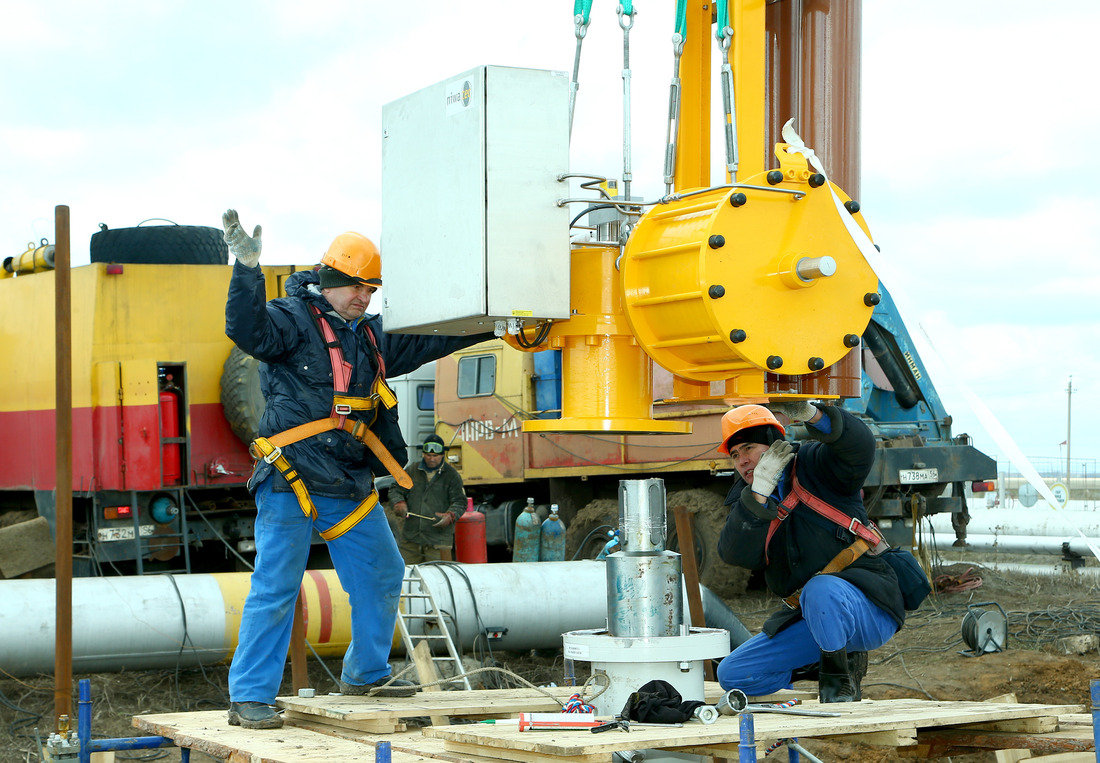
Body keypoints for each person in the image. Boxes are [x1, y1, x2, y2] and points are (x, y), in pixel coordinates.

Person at [221, 209, 492, 730]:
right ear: (328, 281)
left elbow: (434, 339)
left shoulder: (371, 338)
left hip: (347, 483)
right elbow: (246, 328)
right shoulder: (289, 321)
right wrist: (247, 270)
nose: (363, 298)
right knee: (276, 586)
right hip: (291, 481)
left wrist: (495, 322)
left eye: (370, 289)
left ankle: (365, 673)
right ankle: (250, 697)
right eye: (355, 287)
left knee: (384, 573)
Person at [714, 401, 905, 703]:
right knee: (733, 674)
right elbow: (734, 553)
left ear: (774, 444)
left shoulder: (816, 465)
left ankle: (836, 689)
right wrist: (759, 494)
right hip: (814, 620)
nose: (742, 460)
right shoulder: (748, 501)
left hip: (869, 607)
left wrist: (812, 414)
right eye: (735, 455)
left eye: (749, 448)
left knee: (820, 590)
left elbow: (859, 445)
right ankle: (828, 663)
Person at [389, 434, 466, 563]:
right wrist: (398, 502)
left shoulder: (452, 476)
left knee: (439, 577)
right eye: (428, 455)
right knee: (408, 575)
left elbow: (460, 502)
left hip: (438, 542)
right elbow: (396, 489)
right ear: (423, 454)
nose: (431, 459)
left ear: (442, 455)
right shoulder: (413, 470)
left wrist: (450, 515)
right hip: (411, 539)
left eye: (435, 456)